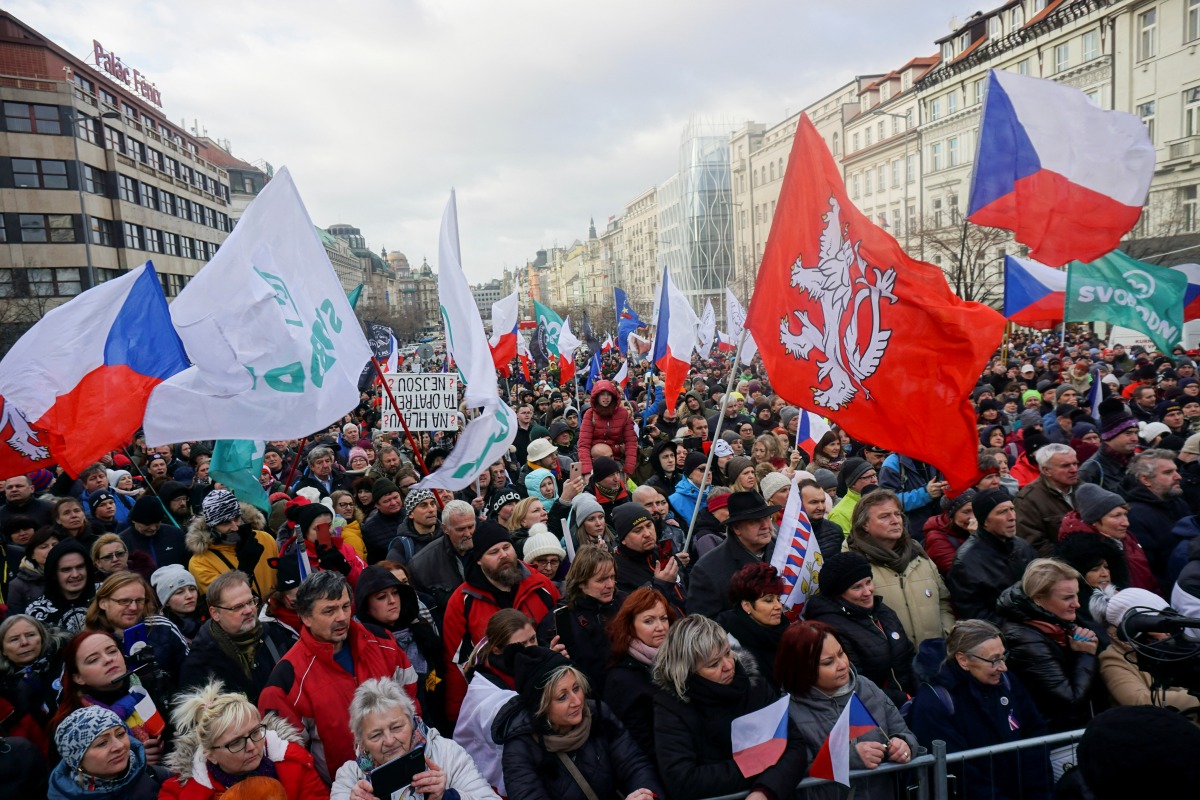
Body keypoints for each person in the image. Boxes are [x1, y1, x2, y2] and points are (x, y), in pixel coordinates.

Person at [258, 571, 419, 784]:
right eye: (329, 610)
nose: (342, 617)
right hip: (342, 790)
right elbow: (292, 763)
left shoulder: (382, 642)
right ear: (305, 617)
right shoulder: (287, 680)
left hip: (407, 775)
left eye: (344, 607)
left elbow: (412, 705)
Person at [652, 615, 808, 800]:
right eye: (713, 664)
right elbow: (683, 780)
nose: (728, 666)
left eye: (727, 653)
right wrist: (757, 763)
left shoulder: (754, 684)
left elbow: (794, 745)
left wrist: (765, 790)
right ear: (688, 671)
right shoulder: (670, 708)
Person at [494, 645, 663, 800]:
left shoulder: (597, 712)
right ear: (541, 706)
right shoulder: (520, 751)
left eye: (576, 688)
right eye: (562, 697)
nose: (577, 701)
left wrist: (645, 794)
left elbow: (634, 763)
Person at [908, 620, 1052, 800]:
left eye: (1003, 656)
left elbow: (1035, 733)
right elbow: (959, 771)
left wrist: (1038, 793)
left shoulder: (1007, 681)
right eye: (993, 660)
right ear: (963, 660)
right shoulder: (935, 701)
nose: (1003, 667)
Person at [777, 621, 917, 800]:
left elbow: (904, 733)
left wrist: (904, 745)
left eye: (841, 653)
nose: (842, 664)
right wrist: (848, 758)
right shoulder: (788, 711)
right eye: (828, 662)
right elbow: (795, 778)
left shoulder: (867, 687)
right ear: (803, 669)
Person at [441, 521, 559, 723]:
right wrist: (458, 716)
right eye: (493, 552)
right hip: (499, 702)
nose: (504, 555)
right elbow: (456, 665)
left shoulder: (541, 585)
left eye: (506, 547)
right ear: (479, 560)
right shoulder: (462, 601)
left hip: (549, 689)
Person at [332, 677, 498, 800]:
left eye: (396, 727)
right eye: (376, 735)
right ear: (362, 742)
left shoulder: (446, 753)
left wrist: (447, 797)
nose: (389, 741)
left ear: (411, 722)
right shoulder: (349, 778)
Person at [160, 679, 326, 799]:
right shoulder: (179, 792)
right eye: (236, 743)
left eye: (255, 733)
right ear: (210, 755)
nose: (252, 746)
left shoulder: (294, 762)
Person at [996, 558, 1104, 731]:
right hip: (1056, 738)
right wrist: (1085, 655)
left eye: (1076, 594)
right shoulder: (1024, 640)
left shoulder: (1060, 623)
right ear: (1038, 599)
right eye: (1067, 598)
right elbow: (1069, 700)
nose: (1077, 604)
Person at [803, 552, 914, 708]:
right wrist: (903, 699)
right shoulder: (830, 628)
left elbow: (908, 654)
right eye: (857, 587)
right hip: (877, 708)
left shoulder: (882, 611)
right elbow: (854, 682)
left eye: (868, 582)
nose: (867, 591)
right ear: (838, 593)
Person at [846, 489, 953, 646]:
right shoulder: (853, 563)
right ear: (865, 525)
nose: (895, 520)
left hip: (934, 657)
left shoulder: (918, 554)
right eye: (885, 516)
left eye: (897, 514)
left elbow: (943, 601)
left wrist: (947, 634)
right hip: (891, 664)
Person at [49, 630, 168, 767]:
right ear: (78, 678)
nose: (108, 659)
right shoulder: (69, 725)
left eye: (112, 651)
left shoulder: (150, 687)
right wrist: (132, 761)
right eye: (93, 660)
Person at [179, 571, 293, 704]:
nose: (249, 610)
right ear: (215, 614)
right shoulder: (201, 664)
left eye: (250, 602)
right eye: (238, 607)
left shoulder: (276, 636)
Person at [353, 566, 443, 723]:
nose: (392, 601)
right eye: (381, 597)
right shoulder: (361, 645)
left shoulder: (421, 629)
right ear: (366, 606)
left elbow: (441, 675)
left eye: (395, 593)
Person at [1090, 587, 1200, 713]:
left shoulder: (1169, 649)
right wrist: (1195, 697)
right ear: (1137, 629)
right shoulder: (1112, 659)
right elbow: (1139, 701)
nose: (1168, 632)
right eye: (1159, 623)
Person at [537, 547, 621, 696]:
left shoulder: (623, 604)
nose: (610, 585)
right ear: (581, 582)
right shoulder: (558, 621)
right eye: (601, 580)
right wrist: (553, 660)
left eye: (612, 577)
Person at [946, 489, 1037, 624]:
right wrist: (1026, 628)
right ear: (985, 521)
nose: (1012, 516)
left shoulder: (1022, 546)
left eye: (1012, 509)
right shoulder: (966, 563)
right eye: (1002, 512)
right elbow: (978, 617)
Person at [603, 587, 675, 757]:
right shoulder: (621, 680)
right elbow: (639, 745)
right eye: (649, 621)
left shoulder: (679, 660)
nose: (660, 627)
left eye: (663, 619)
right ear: (630, 626)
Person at [83, 571, 190, 684]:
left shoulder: (162, 627)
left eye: (139, 600)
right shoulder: (89, 642)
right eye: (124, 601)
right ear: (103, 603)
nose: (134, 607)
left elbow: (191, 669)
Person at [688, 492, 781, 618]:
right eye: (755, 521)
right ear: (736, 528)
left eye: (767, 517)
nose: (766, 526)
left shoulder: (785, 550)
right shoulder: (707, 570)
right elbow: (704, 626)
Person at [48, 706, 168, 800]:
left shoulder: (158, 776)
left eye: (120, 734)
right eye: (102, 743)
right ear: (77, 759)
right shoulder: (62, 795)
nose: (119, 746)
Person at [1059, 483, 1159, 594]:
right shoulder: (1082, 551)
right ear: (1094, 521)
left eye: (1125, 514)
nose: (1126, 523)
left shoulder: (1126, 538)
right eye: (1116, 516)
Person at [186, 491, 279, 598]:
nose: (235, 527)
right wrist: (244, 570)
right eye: (225, 523)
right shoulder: (200, 562)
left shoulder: (265, 538)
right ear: (212, 527)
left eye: (236, 519)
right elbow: (222, 600)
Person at [0, 613, 68, 754]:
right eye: (14, 639)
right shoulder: (4, 688)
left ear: (42, 639)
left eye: (30, 635)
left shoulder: (66, 661)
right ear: (3, 650)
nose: (24, 642)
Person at [715, 563, 790, 689]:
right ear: (747, 606)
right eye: (769, 600)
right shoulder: (726, 641)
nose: (778, 606)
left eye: (779, 599)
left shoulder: (788, 631)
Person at [1124, 449, 1189, 586]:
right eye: (1168, 472)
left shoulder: (1178, 503)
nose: (1178, 476)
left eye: (1176, 470)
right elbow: (1148, 568)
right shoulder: (1134, 515)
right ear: (1145, 479)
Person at [611, 503, 686, 612]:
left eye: (649, 525)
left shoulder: (660, 552)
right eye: (638, 530)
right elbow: (635, 611)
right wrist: (661, 584)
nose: (647, 534)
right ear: (623, 539)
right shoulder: (617, 571)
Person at [408, 500, 476, 616]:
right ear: (445, 529)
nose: (468, 534)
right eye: (460, 529)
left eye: (471, 527)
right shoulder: (420, 565)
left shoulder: (489, 548)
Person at [1013, 443, 1079, 557]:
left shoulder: (1085, 488)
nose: (1074, 470)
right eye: (1065, 466)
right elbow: (1034, 544)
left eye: (1075, 464)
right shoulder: (1027, 500)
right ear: (1046, 470)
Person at [280, 504, 365, 588]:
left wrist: (347, 569)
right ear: (305, 532)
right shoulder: (296, 558)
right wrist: (324, 570)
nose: (330, 531)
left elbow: (367, 583)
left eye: (329, 525)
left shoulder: (345, 549)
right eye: (318, 528)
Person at [26, 538, 99, 634]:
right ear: (54, 574)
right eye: (66, 570)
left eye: (80, 567)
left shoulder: (105, 594)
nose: (75, 574)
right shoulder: (37, 612)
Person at [578, 379, 639, 477]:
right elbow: (584, 444)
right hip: (594, 461)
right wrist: (587, 472)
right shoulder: (589, 415)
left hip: (616, 460)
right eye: (602, 394)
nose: (606, 398)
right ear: (596, 396)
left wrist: (628, 468)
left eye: (609, 394)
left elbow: (631, 442)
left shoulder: (623, 414)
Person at [119, 495, 189, 571]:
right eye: (147, 524)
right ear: (134, 521)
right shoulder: (122, 542)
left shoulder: (176, 535)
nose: (153, 528)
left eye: (157, 523)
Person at [6, 527, 59, 615]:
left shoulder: (72, 575)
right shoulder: (18, 585)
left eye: (55, 545)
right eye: (43, 547)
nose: (51, 549)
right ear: (32, 555)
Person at [921, 490, 975, 575]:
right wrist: (976, 538)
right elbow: (959, 574)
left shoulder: (974, 529)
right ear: (951, 515)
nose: (973, 517)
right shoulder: (936, 539)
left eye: (976, 510)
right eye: (966, 512)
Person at [386, 489, 443, 565]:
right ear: (411, 514)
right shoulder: (402, 546)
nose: (431, 509)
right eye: (423, 505)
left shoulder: (448, 535)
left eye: (433, 504)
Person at [151, 563, 204, 641]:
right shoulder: (162, 632)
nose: (189, 596)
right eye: (180, 592)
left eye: (192, 589)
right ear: (167, 602)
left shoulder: (211, 614)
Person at [359, 480, 404, 565]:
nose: (393, 503)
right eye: (387, 501)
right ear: (377, 505)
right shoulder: (369, 529)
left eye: (395, 497)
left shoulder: (412, 515)